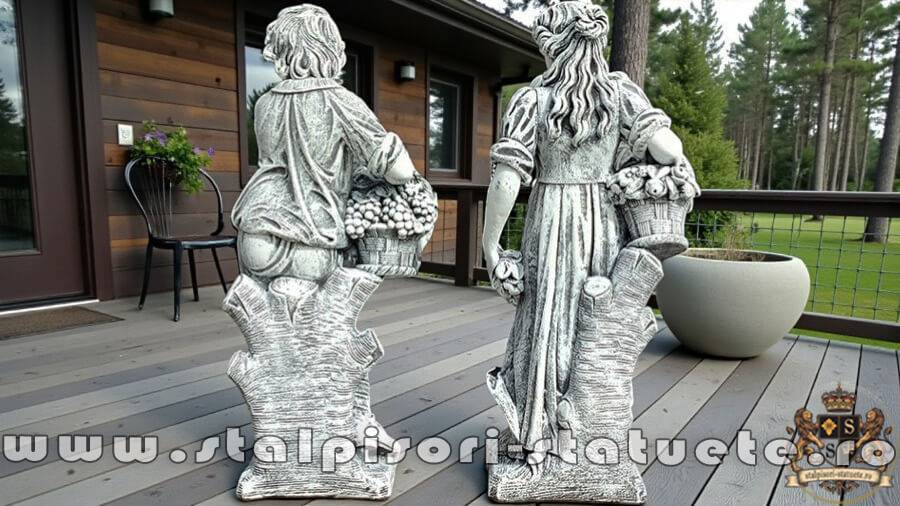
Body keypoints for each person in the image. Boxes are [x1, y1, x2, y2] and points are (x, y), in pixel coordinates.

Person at [482, 0, 686, 461]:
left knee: (547, 316)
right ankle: (586, 431)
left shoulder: (532, 100)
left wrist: (490, 244)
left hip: (551, 217)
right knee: (594, 317)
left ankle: (539, 428)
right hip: (604, 219)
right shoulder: (619, 93)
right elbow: (669, 150)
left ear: (552, 47)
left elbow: (507, 177)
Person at [232, 4, 416, 283]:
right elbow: (401, 172)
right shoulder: (341, 101)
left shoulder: (264, 103)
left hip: (255, 233)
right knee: (315, 309)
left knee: (271, 308)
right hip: (313, 237)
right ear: (330, 48)